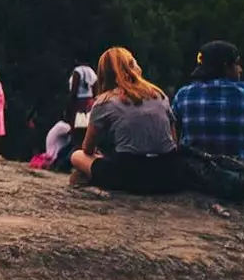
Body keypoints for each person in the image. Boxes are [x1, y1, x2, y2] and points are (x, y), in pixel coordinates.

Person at [70, 47, 179, 194]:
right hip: (168, 174)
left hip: (129, 176)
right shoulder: (159, 95)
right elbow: (173, 141)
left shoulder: (104, 101)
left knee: (77, 156)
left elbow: (87, 148)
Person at [172, 40, 244, 184]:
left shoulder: (183, 94)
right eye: (237, 64)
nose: (240, 69)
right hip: (241, 177)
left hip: (196, 176)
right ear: (226, 66)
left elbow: (172, 128)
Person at [67, 56, 99, 127]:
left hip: (79, 101)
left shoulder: (77, 71)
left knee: (78, 125)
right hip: (90, 102)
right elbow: (96, 89)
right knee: (88, 125)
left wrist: (70, 106)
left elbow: (74, 91)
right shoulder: (91, 71)